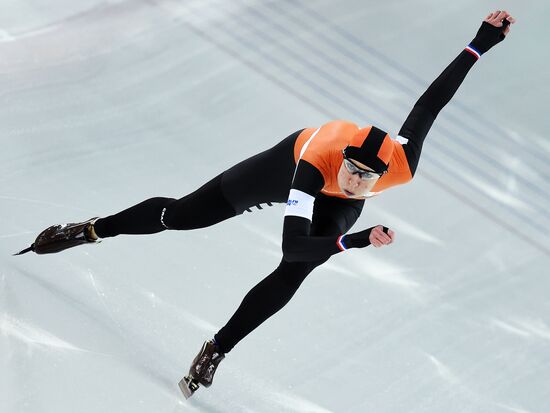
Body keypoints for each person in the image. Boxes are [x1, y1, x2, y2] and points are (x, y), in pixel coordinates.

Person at [17, 10, 515, 397]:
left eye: (367, 179)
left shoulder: (402, 162)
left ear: (383, 174)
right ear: (342, 159)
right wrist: (356, 240)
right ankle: (89, 230)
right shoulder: (317, 166)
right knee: (182, 217)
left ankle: (216, 350)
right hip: (284, 164)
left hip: (330, 200)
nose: (357, 182)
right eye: (353, 172)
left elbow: (430, 105)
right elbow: (295, 242)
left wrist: (480, 44)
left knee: (293, 273)